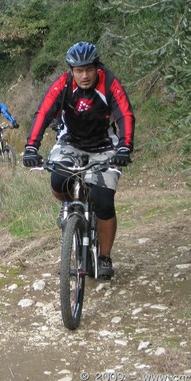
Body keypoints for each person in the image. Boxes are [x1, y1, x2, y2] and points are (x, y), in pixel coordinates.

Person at [22, 42, 135, 280]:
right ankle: (71, 207)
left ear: (97, 68)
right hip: (70, 142)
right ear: (71, 71)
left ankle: (104, 257)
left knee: (103, 200)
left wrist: (125, 147)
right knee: (58, 180)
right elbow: (43, 112)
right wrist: (31, 147)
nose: (85, 76)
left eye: (89, 69)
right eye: (79, 70)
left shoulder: (109, 83)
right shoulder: (63, 84)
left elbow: (125, 114)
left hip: (104, 145)